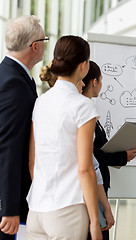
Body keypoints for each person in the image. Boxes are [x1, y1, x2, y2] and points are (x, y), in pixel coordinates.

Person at [26, 35, 102, 240]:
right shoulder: (83, 106)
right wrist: (95, 221)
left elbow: (32, 161)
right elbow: (85, 169)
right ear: (83, 65)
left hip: (36, 209)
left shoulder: (41, 102)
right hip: (67, 209)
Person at [39, 62, 115, 237]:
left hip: (49, 204)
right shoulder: (82, 110)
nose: (82, 85)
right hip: (79, 203)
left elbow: (33, 162)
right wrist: (98, 218)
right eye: (80, 81)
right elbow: (89, 169)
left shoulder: (42, 105)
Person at [0, 15, 45, 239]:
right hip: (9, 207)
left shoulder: (14, 76)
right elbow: (8, 146)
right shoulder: (13, 83)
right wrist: (9, 208)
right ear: (35, 46)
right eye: (45, 39)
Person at [81, 60, 136, 240]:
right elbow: (91, 155)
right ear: (94, 82)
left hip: (96, 186)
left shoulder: (89, 108)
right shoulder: (83, 110)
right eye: (101, 80)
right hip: (90, 189)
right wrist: (122, 157)